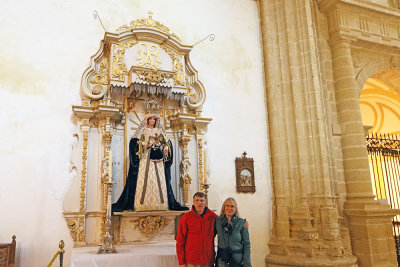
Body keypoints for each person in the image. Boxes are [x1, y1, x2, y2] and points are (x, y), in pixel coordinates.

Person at [112, 107, 188, 212]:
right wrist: (145, 144)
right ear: (147, 120)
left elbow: (166, 142)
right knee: (145, 179)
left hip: (158, 159)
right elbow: (134, 141)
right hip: (146, 158)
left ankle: (160, 204)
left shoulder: (160, 130)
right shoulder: (143, 130)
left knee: (158, 179)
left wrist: (162, 146)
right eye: (150, 119)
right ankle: (142, 204)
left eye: (154, 119)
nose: (152, 121)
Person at [176, 192, 217, 267]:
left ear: (206, 202)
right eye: (197, 200)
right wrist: (181, 262)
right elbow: (180, 241)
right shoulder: (186, 218)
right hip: (192, 261)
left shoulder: (213, 217)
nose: (199, 203)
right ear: (193, 202)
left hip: (208, 260)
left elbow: (225, 225)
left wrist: (242, 224)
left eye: (202, 200)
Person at [215, 198, 251, 267]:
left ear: (235, 208)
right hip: (222, 260)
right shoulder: (217, 221)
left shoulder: (241, 222)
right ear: (224, 207)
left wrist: (247, 262)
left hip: (237, 260)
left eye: (232, 206)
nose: (229, 208)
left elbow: (247, 244)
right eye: (227, 206)